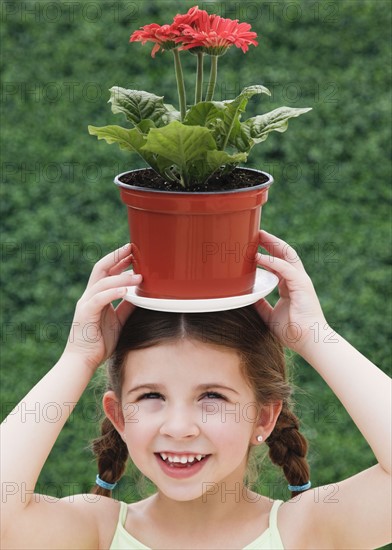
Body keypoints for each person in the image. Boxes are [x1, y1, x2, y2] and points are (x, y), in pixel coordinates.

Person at [1, 231, 390, 550]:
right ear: (118, 416)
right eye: (151, 396)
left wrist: (314, 337)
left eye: (213, 397)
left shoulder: (307, 531)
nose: (179, 427)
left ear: (264, 416)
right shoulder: (95, 533)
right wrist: (78, 358)